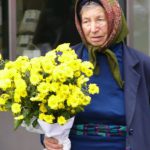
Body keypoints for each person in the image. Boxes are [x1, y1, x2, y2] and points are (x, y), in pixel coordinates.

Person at [41, 0, 150, 150]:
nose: (93, 29)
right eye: (86, 21)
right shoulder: (62, 60)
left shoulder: (142, 64)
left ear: (115, 20)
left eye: (100, 19)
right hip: (75, 145)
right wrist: (48, 137)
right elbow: (45, 109)